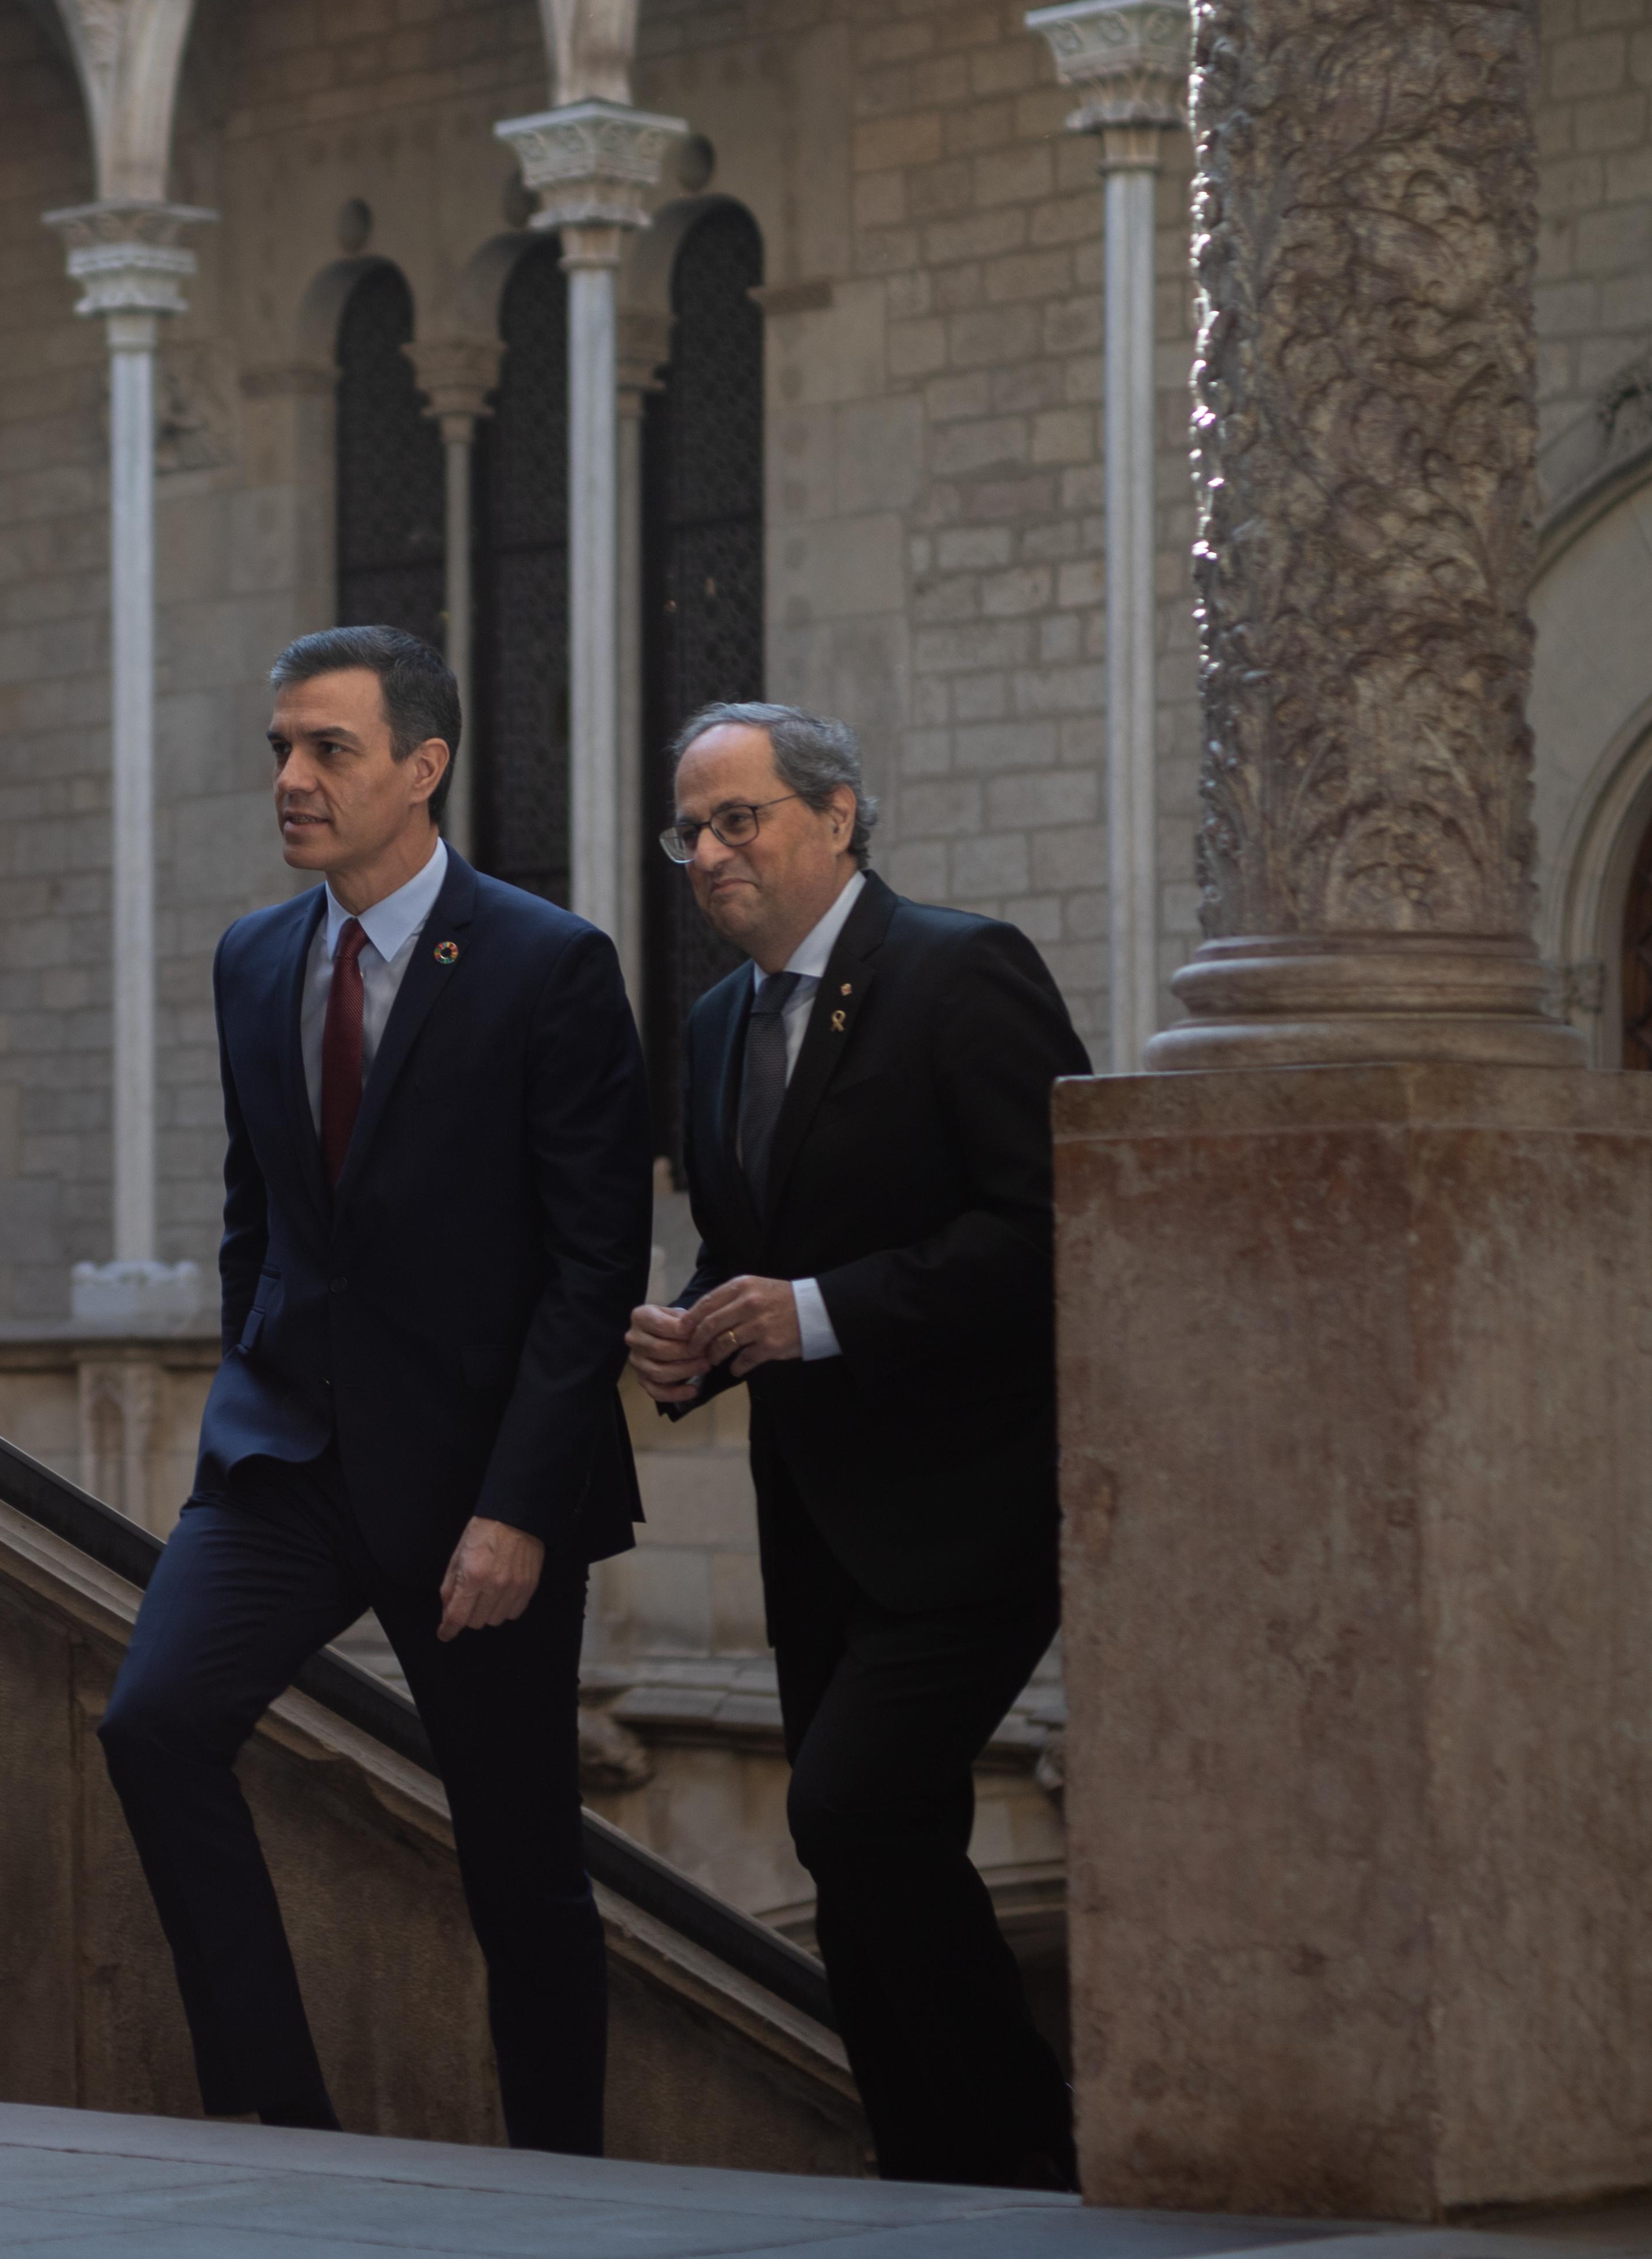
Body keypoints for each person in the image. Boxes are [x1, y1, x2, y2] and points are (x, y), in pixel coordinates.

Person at [95, 625, 650, 2155]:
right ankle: (280, 2118)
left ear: (421, 766)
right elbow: (252, 1214)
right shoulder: (252, 958)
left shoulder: (547, 964)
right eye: (279, 745)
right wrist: (235, 1405)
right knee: (151, 1721)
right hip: (282, 1464)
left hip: (481, 1492)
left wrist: (517, 1508)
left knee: (518, 1867)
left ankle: (562, 2186)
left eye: (325, 748)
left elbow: (589, 1268)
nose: (289, 777)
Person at [624, 702, 1090, 2190]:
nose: (707, 852)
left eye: (737, 817)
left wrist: (816, 1312)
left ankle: (1023, 2156)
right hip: (818, 1512)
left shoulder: (961, 971)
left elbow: (1057, 1224)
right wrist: (692, 1330)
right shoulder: (711, 1023)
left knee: (848, 1805)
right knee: (865, 1848)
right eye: (688, 828)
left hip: (977, 1504)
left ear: (836, 816)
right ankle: (934, 2172)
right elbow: (749, 1244)